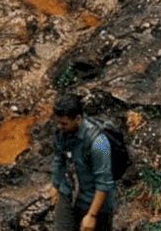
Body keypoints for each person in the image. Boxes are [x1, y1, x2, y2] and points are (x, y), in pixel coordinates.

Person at [49, 93, 116, 231]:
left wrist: (91, 215)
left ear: (78, 119)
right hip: (69, 192)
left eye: (64, 123)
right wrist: (55, 184)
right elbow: (59, 158)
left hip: (95, 200)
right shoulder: (61, 132)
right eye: (57, 122)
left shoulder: (99, 143)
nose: (59, 126)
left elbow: (104, 183)